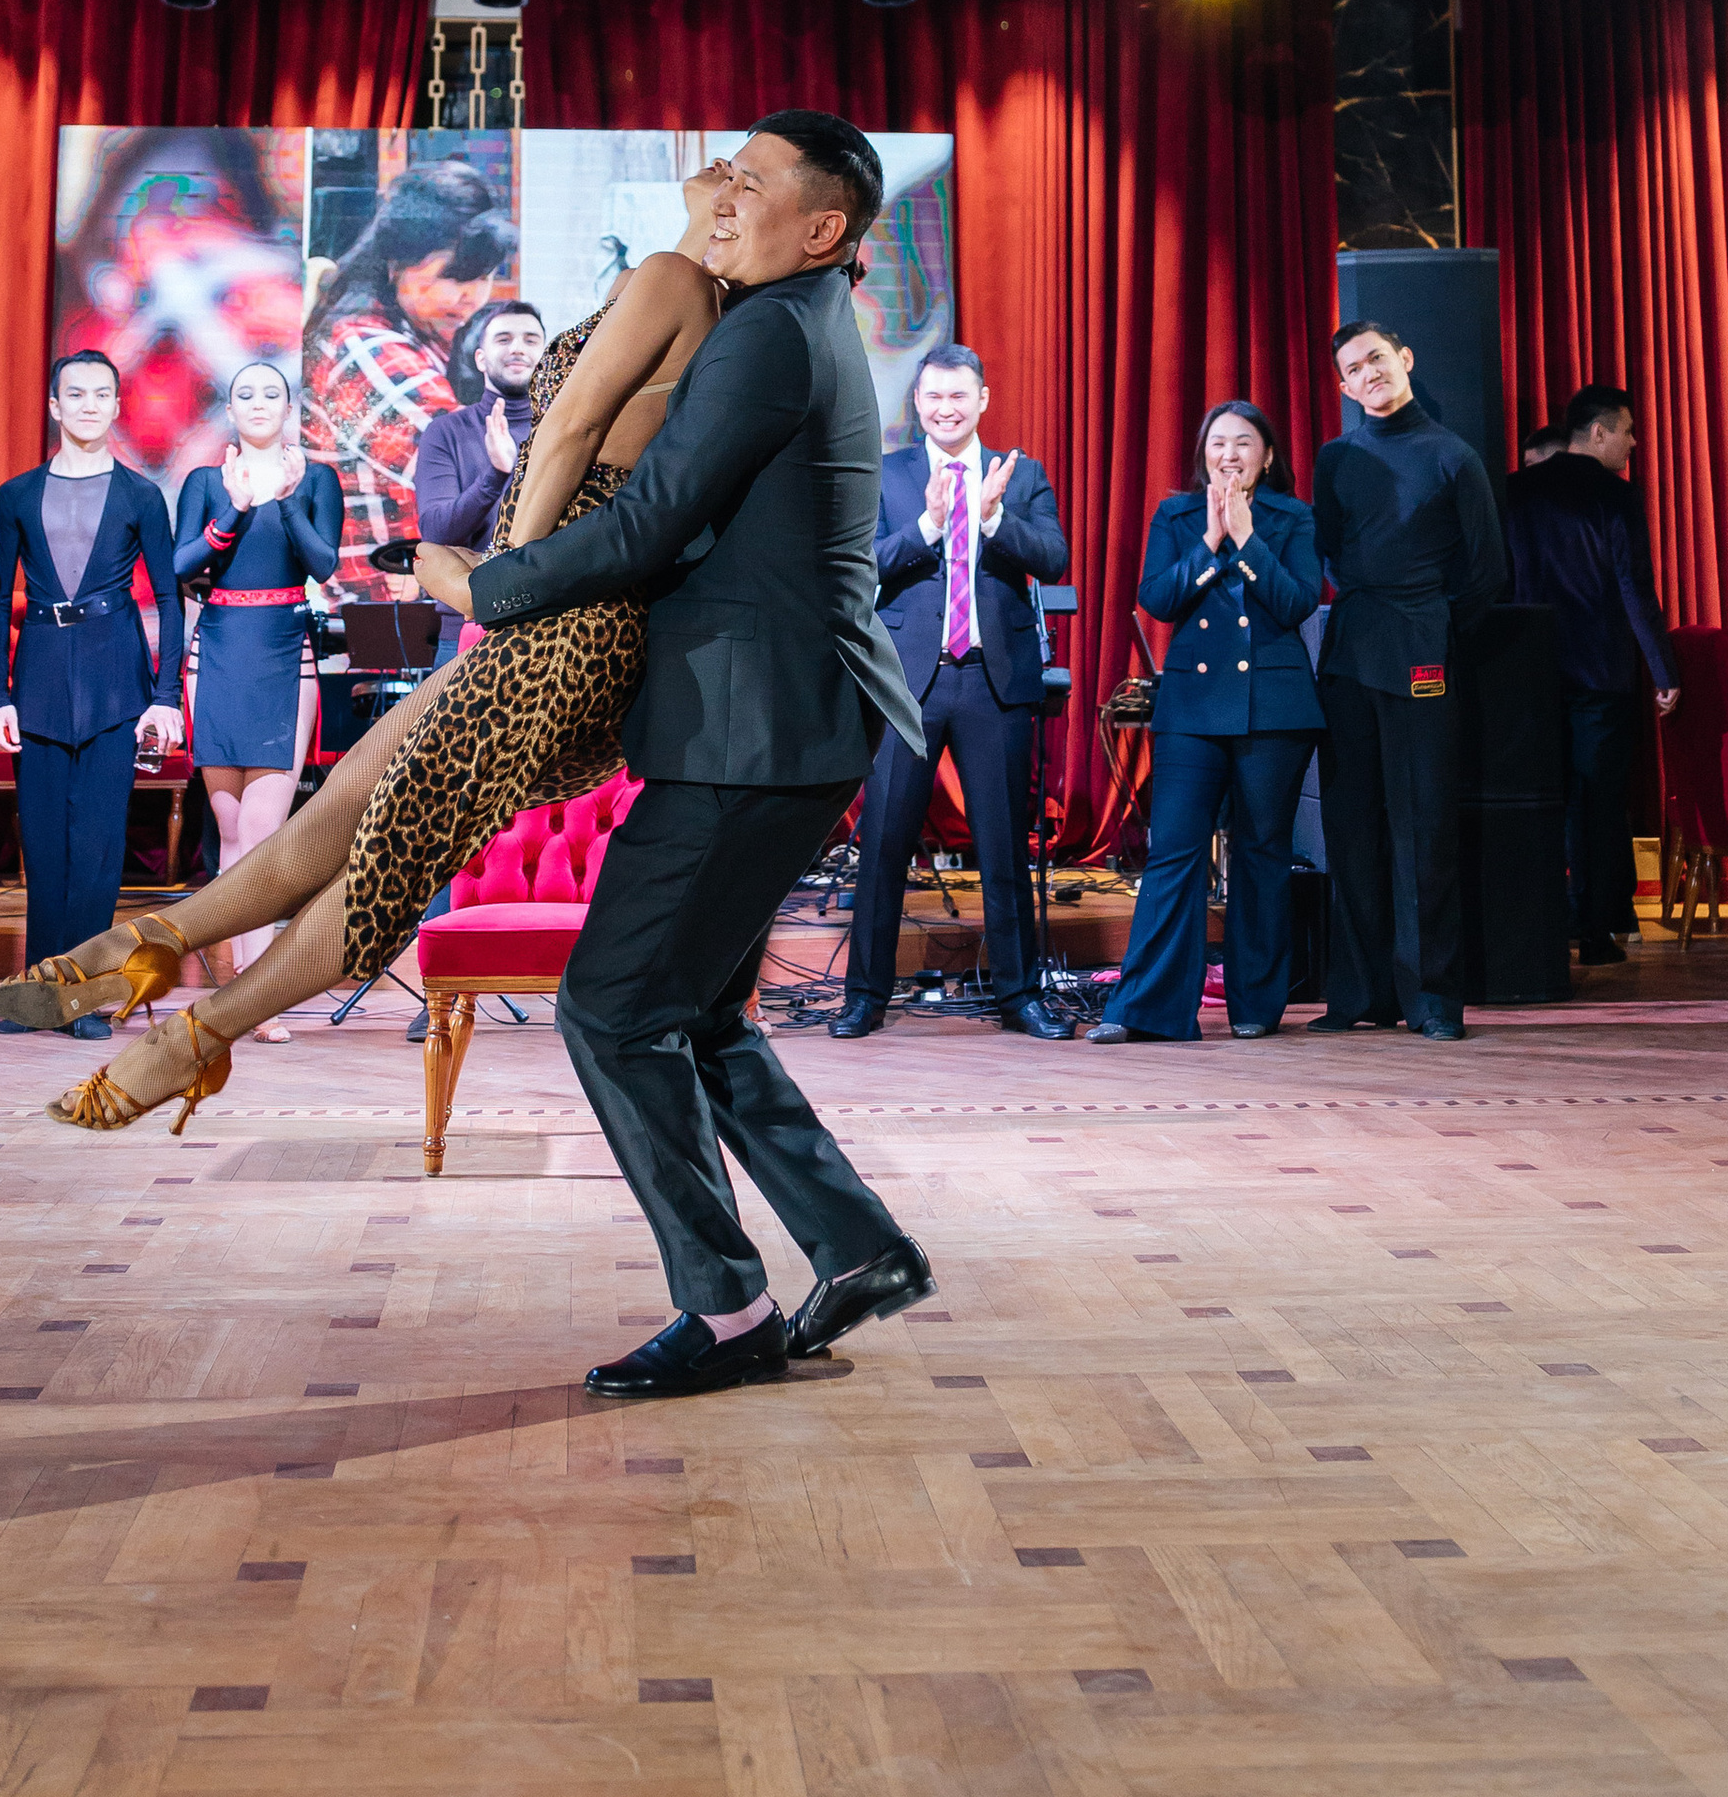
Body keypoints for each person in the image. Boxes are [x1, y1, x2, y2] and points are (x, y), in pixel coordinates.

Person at [0, 159, 734, 1077]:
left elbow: (570, 439)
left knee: (377, 851)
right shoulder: (652, 301)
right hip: (522, 626)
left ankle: (191, 1018)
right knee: (334, 830)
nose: (722, 171)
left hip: (558, 634)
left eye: (742, 177)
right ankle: (162, 976)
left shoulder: (675, 294)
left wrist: (490, 582)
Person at [437, 113, 934, 1405]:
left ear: (821, 228)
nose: (724, 192)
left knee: (610, 1004)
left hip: (754, 728)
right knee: (697, 1012)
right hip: (787, 719)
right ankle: (859, 1247)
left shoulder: (773, 329)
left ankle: (725, 1310)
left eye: (755, 182)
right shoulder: (800, 318)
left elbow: (656, 524)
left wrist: (490, 588)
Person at [834, 343, 1076, 1041]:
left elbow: (1053, 556)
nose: (946, 408)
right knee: (883, 844)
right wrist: (931, 528)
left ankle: (1019, 996)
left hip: (993, 680)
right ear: (918, 404)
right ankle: (865, 997)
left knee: (1002, 846)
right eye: (934, 397)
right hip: (908, 680)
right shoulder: (888, 475)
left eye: (959, 396)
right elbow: (861, 566)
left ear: (982, 400)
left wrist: (994, 519)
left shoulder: (1018, 474)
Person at [1090, 400, 1324, 1043]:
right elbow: (1157, 599)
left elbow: (1298, 601)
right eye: (1218, 442)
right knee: (1174, 853)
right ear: (1203, 454)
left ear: (1267, 456)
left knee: (1262, 855)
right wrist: (1213, 540)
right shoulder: (1177, 515)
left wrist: (1248, 539)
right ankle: (1150, 1009)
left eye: (1244, 443)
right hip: (1192, 710)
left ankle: (1255, 1006)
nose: (1229, 454)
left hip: (1274, 713)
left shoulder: (1292, 518)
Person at [1310, 317, 1506, 1042]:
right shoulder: (1335, 458)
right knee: (1351, 825)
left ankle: (1432, 1000)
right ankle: (1360, 993)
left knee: (1424, 827)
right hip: (1349, 656)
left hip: (1425, 655)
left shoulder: (1454, 456)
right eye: (1353, 369)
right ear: (1344, 387)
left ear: (1406, 359)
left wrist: (1432, 626)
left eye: (1377, 360)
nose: (1368, 374)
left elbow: (1487, 572)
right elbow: (1327, 549)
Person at [0, 350, 184, 1024]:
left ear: (118, 406)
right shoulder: (15, 495)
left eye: (103, 393)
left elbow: (169, 597)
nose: (90, 403)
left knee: (97, 848)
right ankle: (39, 990)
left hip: (114, 681)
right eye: (77, 392)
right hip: (38, 674)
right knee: (42, 847)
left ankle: (88, 993)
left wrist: (164, 696)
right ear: (54, 405)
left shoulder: (140, 494)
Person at [173, 361, 343, 1044]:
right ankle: (234, 995)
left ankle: (253, 997)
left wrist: (285, 500)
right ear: (231, 407)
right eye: (246, 393)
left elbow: (323, 562)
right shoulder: (205, 481)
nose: (259, 403)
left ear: (289, 406)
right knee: (232, 833)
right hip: (214, 653)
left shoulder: (318, 478)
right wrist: (236, 508)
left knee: (266, 833)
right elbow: (182, 563)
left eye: (272, 393)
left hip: (282, 653)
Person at [1507, 378, 1680, 965]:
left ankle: (1539, 923)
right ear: (1599, 431)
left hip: (1529, 673)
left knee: (1538, 800)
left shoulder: (1513, 491)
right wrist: (1662, 668)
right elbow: (1634, 585)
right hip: (1600, 670)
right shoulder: (1617, 496)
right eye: (1628, 431)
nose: (1633, 443)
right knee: (1599, 804)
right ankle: (1600, 930)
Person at [301, 160, 519, 597]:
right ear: (396, 263)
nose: (472, 297)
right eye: (453, 277)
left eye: (484, 277)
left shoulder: (418, 331)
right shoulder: (367, 350)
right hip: (378, 622)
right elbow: (482, 472)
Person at [416, 299, 547, 551]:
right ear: (480, 359)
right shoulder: (445, 432)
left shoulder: (565, 429)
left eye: (530, 340)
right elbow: (435, 535)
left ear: (546, 357)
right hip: (471, 586)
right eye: (503, 339)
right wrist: (495, 474)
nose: (518, 348)